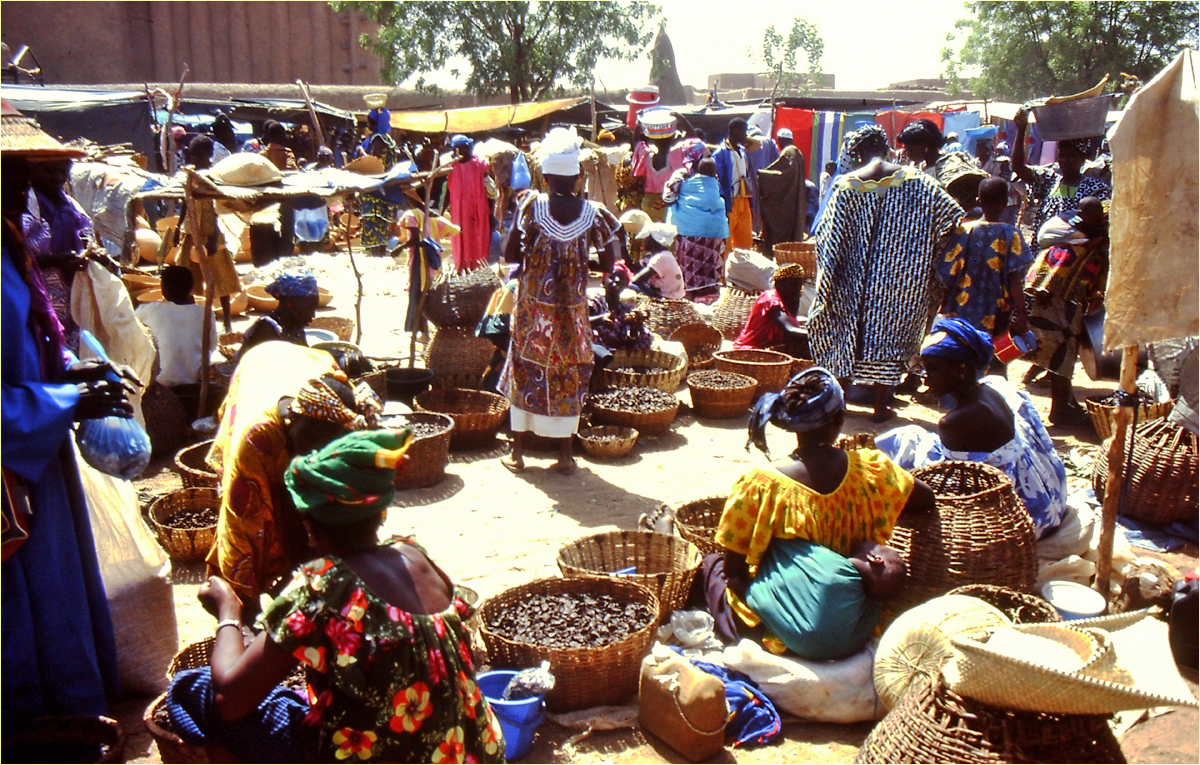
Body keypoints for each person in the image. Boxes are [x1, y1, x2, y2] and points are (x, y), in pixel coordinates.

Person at [166, 429, 506, 763]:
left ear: (309, 526)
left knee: (193, 689)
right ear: (380, 510)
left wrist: (228, 613)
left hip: (381, 754)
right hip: (469, 750)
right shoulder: (414, 555)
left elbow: (230, 698)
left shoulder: (323, 586)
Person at [2, 132, 137, 721]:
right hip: (14, 459)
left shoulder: (11, 247)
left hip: (38, 451)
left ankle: (71, 713)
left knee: (56, 590)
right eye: (10, 172)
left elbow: (27, 341)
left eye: (25, 173)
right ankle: (35, 730)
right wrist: (61, 402)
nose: (24, 186)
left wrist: (71, 376)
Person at [704, 368, 934, 648]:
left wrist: (782, 618)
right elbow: (926, 498)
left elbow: (735, 573)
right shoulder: (872, 470)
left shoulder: (759, 485)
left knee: (712, 566)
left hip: (782, 632)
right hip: (851, 622)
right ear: (839, 419)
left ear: (790, 425)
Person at [206, 343, 383, 616]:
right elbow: (240, 529)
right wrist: (238, 609)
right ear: (296, 421)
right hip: (260, 365)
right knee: (259, 516)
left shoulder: (339, 414)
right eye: (312, 446)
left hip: (307, 362)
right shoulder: (257, 440)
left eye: (326, 452)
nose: (314, 458)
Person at [809, 124, 962, 422]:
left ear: (859, 152)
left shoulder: (846, 186)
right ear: (886, 146)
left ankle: (838, 399)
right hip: (902, 282)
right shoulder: (920, 182)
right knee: (888, 336)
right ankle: (881, 406)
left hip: (850, 281)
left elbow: (826, 238)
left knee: (845, 332)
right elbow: (954, 219)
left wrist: (830, 277)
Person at [499, 127, 620, 474]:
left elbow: (510, 252)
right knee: (570, 370)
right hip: (573, 313)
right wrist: (583, 262)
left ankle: (518, 454)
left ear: (546, 175)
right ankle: (564, 456)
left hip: (533, 311)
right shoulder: (594, 213)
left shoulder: (531, 206)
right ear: (578, 175)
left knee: (524, 366)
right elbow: (611, 261)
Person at [877, 318, 1067, 538]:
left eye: (933, 369)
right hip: (1050, 499)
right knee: (910, 436)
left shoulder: (956, 422)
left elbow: (941, 490)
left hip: (1025, 521)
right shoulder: (993, 386)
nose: (925, 379)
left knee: (902, 447)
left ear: (961, 370)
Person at [1022, 195, 1111, 425]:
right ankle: (1060, 409)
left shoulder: (1101, 227)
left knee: (1060, 352)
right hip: (1059, 297)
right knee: (1063, 351)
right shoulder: (1074, 230)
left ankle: (1065, 402)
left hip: (1060, 295)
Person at [937, 177, 1033, 342]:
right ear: (1005, 202)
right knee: (992, 355)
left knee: (962, 352)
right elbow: (1014, 278)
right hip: (997, 312)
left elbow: (949, 275)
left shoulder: (963, 232)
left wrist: (944, 305)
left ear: (978, 202)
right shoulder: (1011, 235)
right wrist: (1022, 313)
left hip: (961, 308)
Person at [21, 156, 93, 352]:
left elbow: (88, 236)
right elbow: (12, 257)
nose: (58, 177)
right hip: (36, 302)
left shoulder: (70, 205)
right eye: (50, 171)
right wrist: (55, 261)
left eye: (63, 172)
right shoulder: (22, 206)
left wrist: (91, 253)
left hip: (74, 297)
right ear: (32, 171)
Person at [1011, 108, 1110, 237]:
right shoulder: (1049, 181)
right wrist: (1021, 128)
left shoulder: (1095, 189)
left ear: (1082, 159)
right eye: (1062, 156)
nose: (1065, 161)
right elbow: (1018, 168)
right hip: (1044, 254)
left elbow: (1105, 222)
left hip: (1076, 254)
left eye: (1071, 156)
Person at [135, 265, 217, 388]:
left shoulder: (151, 310)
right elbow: (212, 346)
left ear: (163, 290)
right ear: (191, 289)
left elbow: (132, 325)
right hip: (194, 380)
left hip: (161, 382)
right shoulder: (205, 313)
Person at [664, 150, 727, 303]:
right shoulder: (714, 183)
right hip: (714, 231)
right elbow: (716, 202)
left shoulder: (683, 179)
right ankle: (709, 294)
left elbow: (668, 198)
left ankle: (690, 297)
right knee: (710, 265)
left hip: (689, 229)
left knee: (689, 265)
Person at [896, 119, 988, 211]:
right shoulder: (919, 168)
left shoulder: (953, 165)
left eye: (910, 146)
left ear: (925, 145)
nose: (906, 150)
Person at [236, 268, 320, 362]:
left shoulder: (294, 328)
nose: (313, 315)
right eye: (310, 307)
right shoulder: (266, 330)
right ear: (290, 303)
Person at [733, 263, 808, 354]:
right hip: (751, 351)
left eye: (799, 285)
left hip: (770, 349)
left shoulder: (789, 299)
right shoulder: (771, 300)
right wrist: (816, 334)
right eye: (793, 285)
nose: (797, 289)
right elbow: (789, 330)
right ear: (779, 284)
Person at [358, 111, 403, 257]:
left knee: (375, 224)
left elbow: (374, 160)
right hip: (387, 186)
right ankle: (381, 257)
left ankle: (377, 257)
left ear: (376, 124)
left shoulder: (377, 139)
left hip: (375, 188)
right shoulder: (389, 139)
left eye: (370, 123)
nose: (368, 126)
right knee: (382, 226)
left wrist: (361, 152)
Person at [446, 134, 492, 272]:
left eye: (457, 149)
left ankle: (478, 268)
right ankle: (462, 266)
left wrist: (492, 213)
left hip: (477, 210)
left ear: (465, 150)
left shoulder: (479, 165)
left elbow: (490, 189)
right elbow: (449, 190)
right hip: (458, 212)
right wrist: (443, 209)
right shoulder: (452, 167)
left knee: (476, 238)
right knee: (460, 237)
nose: (455, 153)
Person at [631, 109, 686, 223]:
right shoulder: (675, 156)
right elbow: (695, 141)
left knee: (650, 235)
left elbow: (636, 140)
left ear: (652, 140)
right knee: (667, 236)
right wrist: (682, 119)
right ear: (672, 139)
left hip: (649, 203)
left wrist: (639, 122)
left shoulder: (646, 156)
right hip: (668, 203)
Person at [757, 139, 808, 255]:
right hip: (792, 201)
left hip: (787, 203)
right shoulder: (797, 152)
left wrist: (763, 175)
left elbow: (785, 175)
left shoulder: (788, 152)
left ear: (780, 140)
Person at [712, 118, 754, 251]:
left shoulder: (742, 152)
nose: (746, 136)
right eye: (744, 132)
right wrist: (723, 205)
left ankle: (742, 269)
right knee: (727, 243)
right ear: (736, 131)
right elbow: (717, 181)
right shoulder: (721, 153)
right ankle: (726, 271)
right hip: (730, 203)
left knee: (745, 241)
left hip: (744, 200)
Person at [630, 222, 684, 300]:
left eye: (646, 238)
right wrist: (622, 242)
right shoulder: (655, 256)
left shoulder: (661, 257)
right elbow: (631, 267)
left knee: (630, 287)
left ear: (654, 240)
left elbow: (636, 280)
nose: (644, 241)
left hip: (666, 297)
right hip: (662, 294)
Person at [746, 126, 780, 234]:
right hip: (768, 182)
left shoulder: (748, 145)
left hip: (751, 182)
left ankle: (755, 233)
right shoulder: (770, 142)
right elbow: (777, 161)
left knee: (753, 209)